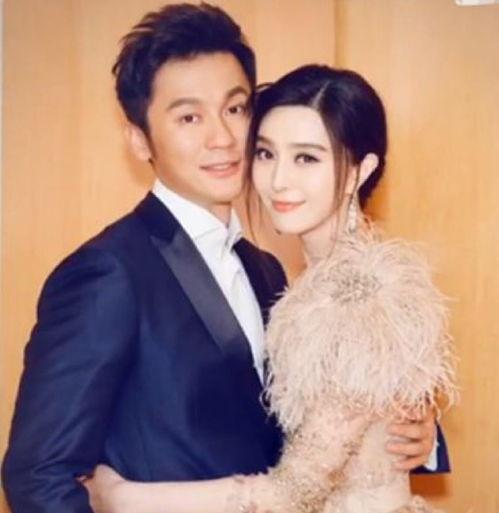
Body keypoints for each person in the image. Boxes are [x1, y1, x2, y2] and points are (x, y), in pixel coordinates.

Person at [2, 4, 443, 513]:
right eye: (189, 117)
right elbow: (37, 476)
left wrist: (412, 433)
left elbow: (305, 433)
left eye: (235, 109)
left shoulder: (266, 269)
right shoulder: (107, 274)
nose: (223, 138)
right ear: (139, 139)